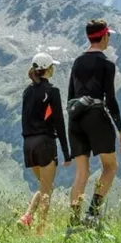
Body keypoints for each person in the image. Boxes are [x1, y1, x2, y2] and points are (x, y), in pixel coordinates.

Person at [67, 19, 121, 229]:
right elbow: (110, 99)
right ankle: (92, 215)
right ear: (103, 37)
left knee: (81, 173)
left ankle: (74, 222)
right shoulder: (107, 64)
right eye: (108, 35)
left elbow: (70, 96)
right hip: (96, 118)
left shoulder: (77, 62)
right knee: (110, 167)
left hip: (75, 119)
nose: (109, 38)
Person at [17, 53, 71, 231]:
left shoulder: (27, 91)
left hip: (28, 145)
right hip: (45, 143)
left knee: (44, 185)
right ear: (48, 69)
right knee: (47, 190)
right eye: (52, 66)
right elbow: (59, 123)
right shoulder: (52, 91)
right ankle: (40, 230)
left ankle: (26, 217)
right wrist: (66, 152)